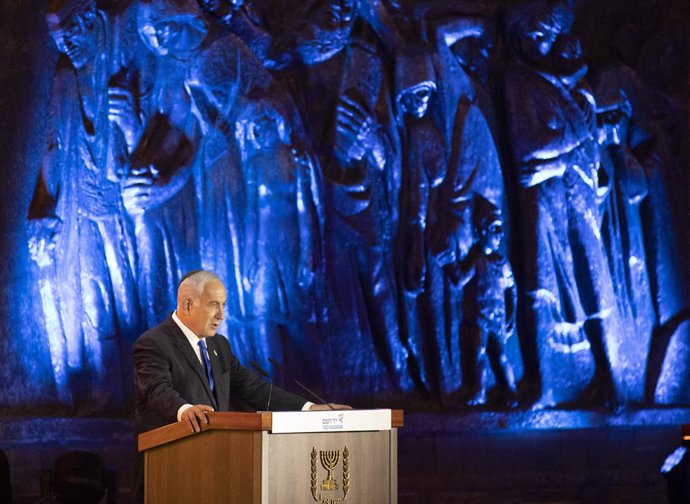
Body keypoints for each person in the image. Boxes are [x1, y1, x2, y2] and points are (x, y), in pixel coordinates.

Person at [132, 269, 348, 502]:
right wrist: (185, 411)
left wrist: (308, 409)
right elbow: (156, 389)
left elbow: (252, 387)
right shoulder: (153, 343)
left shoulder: (219, 345)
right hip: (169, 470)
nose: (221, 315)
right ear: (187, 305)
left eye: (223, 305)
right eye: (214, 305)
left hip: (214, 469)